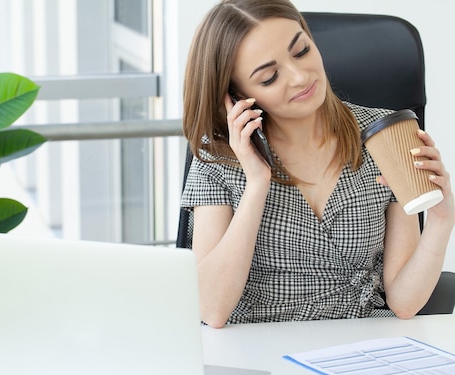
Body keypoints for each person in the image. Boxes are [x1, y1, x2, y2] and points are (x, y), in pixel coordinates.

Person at [180, 0, 455, 327]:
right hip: (259, 350)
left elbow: (405, 303)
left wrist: (440, 221)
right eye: (270, 77)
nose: (299, 76)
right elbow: (211, 310)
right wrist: (256, 185)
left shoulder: (385, 134)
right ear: (237, 95)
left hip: (362, 345)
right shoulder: (219, 157)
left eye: (301, 51)